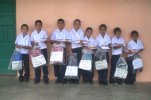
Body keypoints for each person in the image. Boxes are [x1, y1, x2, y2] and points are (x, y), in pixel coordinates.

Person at [51, 18, 69, 84]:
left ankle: (63, 78)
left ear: (64, 24)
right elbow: (51, 41)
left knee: (63, 64)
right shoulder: (54, 32)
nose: (60, 24)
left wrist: (64, 42)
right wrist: (55, 41)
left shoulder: (66, 32)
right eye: (59, 23)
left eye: (62, 23)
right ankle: (58, 77)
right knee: (56, 64)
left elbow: (68, 42)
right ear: (57, 24)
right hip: (55, 49)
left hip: (63, 48)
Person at [31, 20, 49, 84]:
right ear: (35, 26)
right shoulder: (33, 33)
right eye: (37, 25)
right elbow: (31, 42)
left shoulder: (44, 32)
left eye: (39, 25)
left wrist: (44, 41)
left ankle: (46, 78)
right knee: (37, 64)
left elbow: (47, 40)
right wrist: (34, 43)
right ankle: (37, 78)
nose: (38, 26)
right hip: (36, 50)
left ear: (41, 26)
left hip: (43, 49)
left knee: (44, 64)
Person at [68, 19, 84, 84]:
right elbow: (69, 42)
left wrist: (81, 43)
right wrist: (70, 50)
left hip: (79, 49)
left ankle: (77, 78)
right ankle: (72, 78)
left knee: (79, 64)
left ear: (80, 25)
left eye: (78, 24)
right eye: (76, 23)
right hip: (72, 49)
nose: (77, 25)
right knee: (72, 64)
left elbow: (82, 42)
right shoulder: (70, 32)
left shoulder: (81, 32)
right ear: (73, 24)